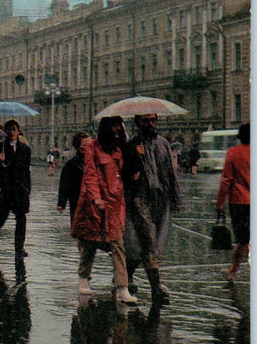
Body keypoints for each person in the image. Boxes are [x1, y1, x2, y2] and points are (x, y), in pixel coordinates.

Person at [70, 116, 137, 304]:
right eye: (113, 126)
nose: (117, 129)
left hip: (115, 202)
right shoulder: (93, 146)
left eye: (119, 125)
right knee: (90, 242)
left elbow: (126, 172)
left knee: (117, 244)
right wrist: (95, 197)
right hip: (96, 202)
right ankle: (83, 277)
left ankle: (122, 288)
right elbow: (90, 173)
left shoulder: (120, 147)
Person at [123, 113, 181, 305]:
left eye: (153, 120)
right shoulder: (131, 145)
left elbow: (171, 171)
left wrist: (175, 197)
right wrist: (134, 156)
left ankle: (127, 277)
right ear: (137, 122)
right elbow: (124, 175)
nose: (150, 124)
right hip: (139, 198)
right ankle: (156, 286)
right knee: (147, 240)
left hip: (159, 199)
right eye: (145, 121)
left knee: (145, 242)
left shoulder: (163, 143)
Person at [0, 119, 31, 256]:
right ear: (5, 132)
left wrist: (27, 188)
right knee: (2, 215)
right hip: (5, 188)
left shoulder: (25, 149)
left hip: (19, 188)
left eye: (14, 129)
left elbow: (26, 170)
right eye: (9, 129)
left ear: (19, 131)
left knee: (21, 217)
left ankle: (19, 247)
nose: (11, 132)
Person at [216, 123, 250, 282]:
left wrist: (220, 203)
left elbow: (226, 180)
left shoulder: (233, 153)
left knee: (243, 239)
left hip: (239, 202)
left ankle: (232, 271)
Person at [57, 131, 91, 221]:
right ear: (78, 147)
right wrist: (61, 203)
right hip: (77, 200)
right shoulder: (71, 164)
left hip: (93, 200)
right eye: (85, 145)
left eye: (90, 144)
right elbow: (64, 184)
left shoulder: (96, 162)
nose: (89, 147)